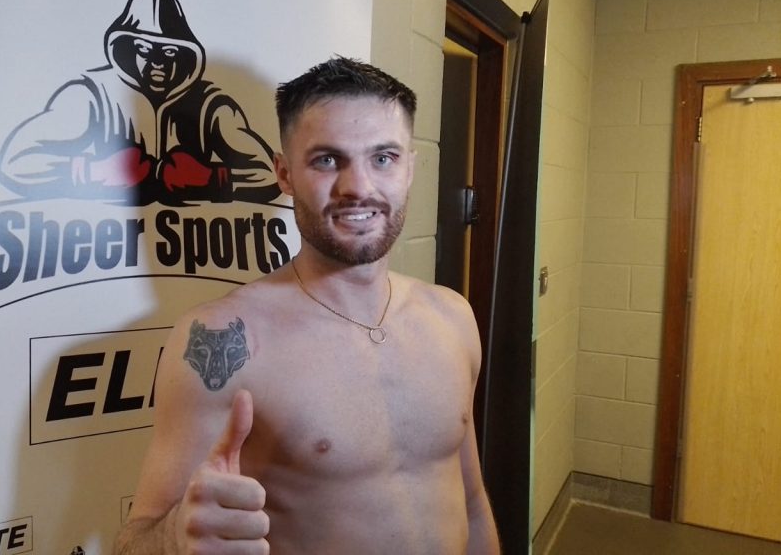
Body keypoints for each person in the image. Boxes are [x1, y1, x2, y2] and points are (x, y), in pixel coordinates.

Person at [115, 57, 500, 554]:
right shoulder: (223, 340)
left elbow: (471, 501)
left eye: (383, 158)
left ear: (410, 168)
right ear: (285, 173)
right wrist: (173, 537)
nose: (358, 186)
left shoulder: (453, 317)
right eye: (326, 160)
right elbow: (136, 539)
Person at [0, 0, 280, 204]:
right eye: (144, 49)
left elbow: (270, 172)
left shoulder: (210, 105)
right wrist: (92, 173)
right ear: (126, 49)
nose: (157, 62)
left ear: (184, 55)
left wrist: (212, 178)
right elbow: (15, 162)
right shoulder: (91, 95)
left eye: (169, 51)